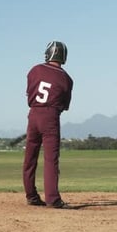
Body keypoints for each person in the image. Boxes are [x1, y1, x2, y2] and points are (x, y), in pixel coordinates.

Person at [23, 41, 73, 209]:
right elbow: (65, 105)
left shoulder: (34, 70)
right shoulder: (66, 78)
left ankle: (31, 195)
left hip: (33, 114)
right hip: (50, 116)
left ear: (48, 53)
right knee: (50, 159)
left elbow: (29, 94)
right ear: (63, 56)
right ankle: (52, 198)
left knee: (30, 157)